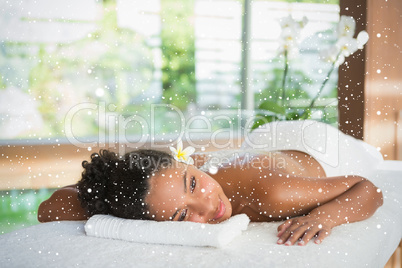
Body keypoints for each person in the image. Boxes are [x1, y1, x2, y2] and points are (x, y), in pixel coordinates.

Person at [37, 147, 383, 246]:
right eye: (179, 216)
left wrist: (323, 217)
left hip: (322, 149)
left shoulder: (272, 194)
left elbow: (368, 188)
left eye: (191, 185)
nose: (208, 206)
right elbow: (49, 209)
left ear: (183, 163)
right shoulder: (177, 181)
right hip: (253, 151)